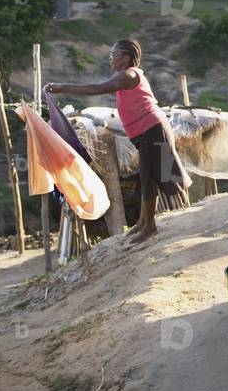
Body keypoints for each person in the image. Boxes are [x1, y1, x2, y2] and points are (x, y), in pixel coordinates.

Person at [45, 38, 191, 244]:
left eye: (113, 54)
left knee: (149, 176)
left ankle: (149, 226)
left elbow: (98, 88)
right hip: (148, 130)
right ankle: (143, 222)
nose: (110, 58)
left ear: (126, 58)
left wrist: (63, 87)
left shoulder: (129, 75)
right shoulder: (123, 74)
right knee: (149, 176)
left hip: (153, 129)